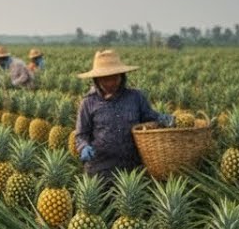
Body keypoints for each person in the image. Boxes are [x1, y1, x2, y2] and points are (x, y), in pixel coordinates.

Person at [73, 49, 173, 182]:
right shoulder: (88, 102)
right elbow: (81, 134)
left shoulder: (136, 97)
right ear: (96, 80)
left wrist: (162, 118)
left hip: (131, 169)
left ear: (122, 76)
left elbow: (149, 117)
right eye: (105, 79)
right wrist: (84, 147)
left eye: (115, 78)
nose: (110, 83)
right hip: (99, 170)